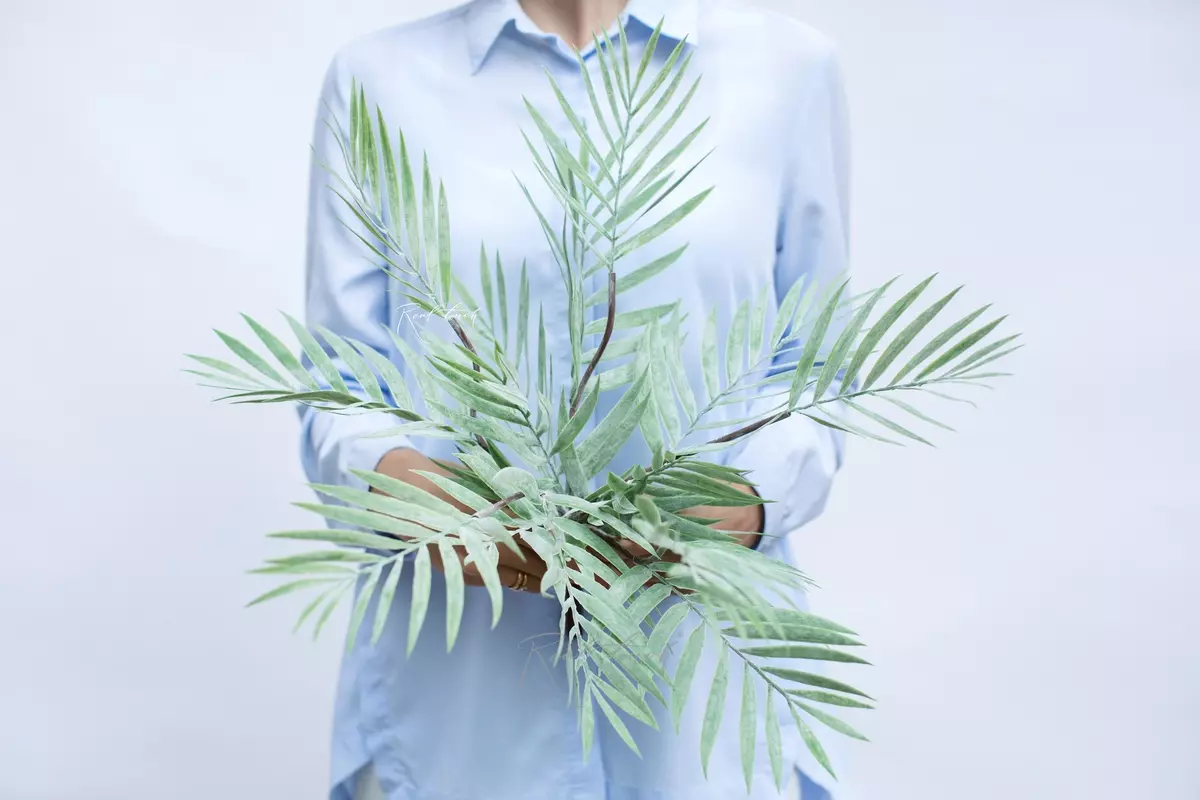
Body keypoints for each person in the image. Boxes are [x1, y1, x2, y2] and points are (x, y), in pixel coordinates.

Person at [302, 0, 851, 797]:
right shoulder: (378, 82)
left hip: (702, 684)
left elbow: (818, 367)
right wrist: (419, 495)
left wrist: (746, 501)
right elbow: (340, 390)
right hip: (463, 696)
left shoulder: (790, 70)